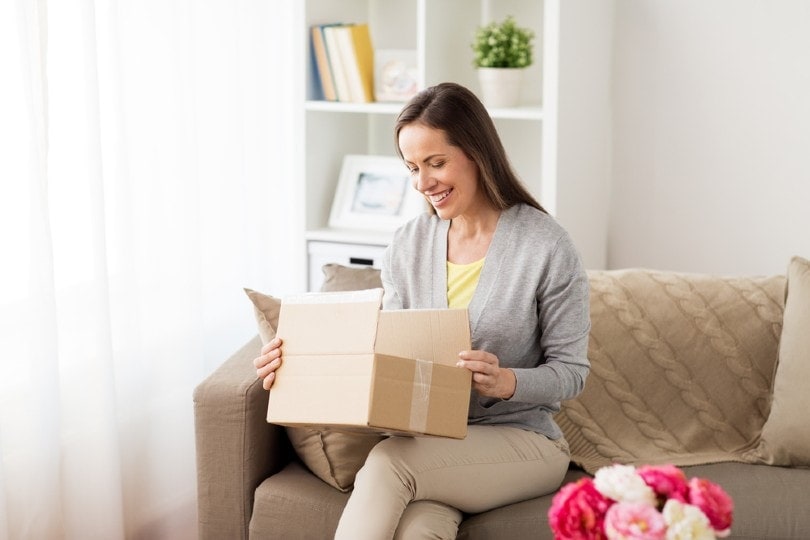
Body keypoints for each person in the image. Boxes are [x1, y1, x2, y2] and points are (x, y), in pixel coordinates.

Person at [255, 82, 590, 539]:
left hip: (524, 441)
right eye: (412, 167)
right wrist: (296, 368)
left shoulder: (545, 245)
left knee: (390, 463)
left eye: (436, 163)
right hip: (431, 444)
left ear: (478, 153)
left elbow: (571, 371)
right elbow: (386, 356)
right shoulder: (408, 243)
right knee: (418, 531)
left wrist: (508, 381)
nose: (422, 183)